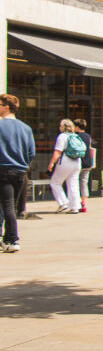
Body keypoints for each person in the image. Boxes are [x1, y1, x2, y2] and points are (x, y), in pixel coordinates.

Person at [0, 94, 34, 253]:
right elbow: (31, 152)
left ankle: (12, 239)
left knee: (6, 206)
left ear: (7, 107)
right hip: (20, 171)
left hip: (3, 169)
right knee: (10, 205)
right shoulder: (26, 128)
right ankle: (8, 239)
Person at [48, 119, 81, 214]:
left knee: (55, 182)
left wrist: (52, 163)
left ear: (62, 127)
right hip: (77, 161)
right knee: (73, 184)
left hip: (66, 161)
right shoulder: (75, 136)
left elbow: (58, 151)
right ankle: (75, 207)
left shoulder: (62, 136)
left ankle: (63, 203)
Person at [72, 120, 94, 213]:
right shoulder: (88, 136)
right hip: (88, 162)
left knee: (75, 182)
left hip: (79, 162)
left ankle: (76, 202)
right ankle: (83, 202)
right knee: (84, 183)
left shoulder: (76, 136)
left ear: (77, 127)